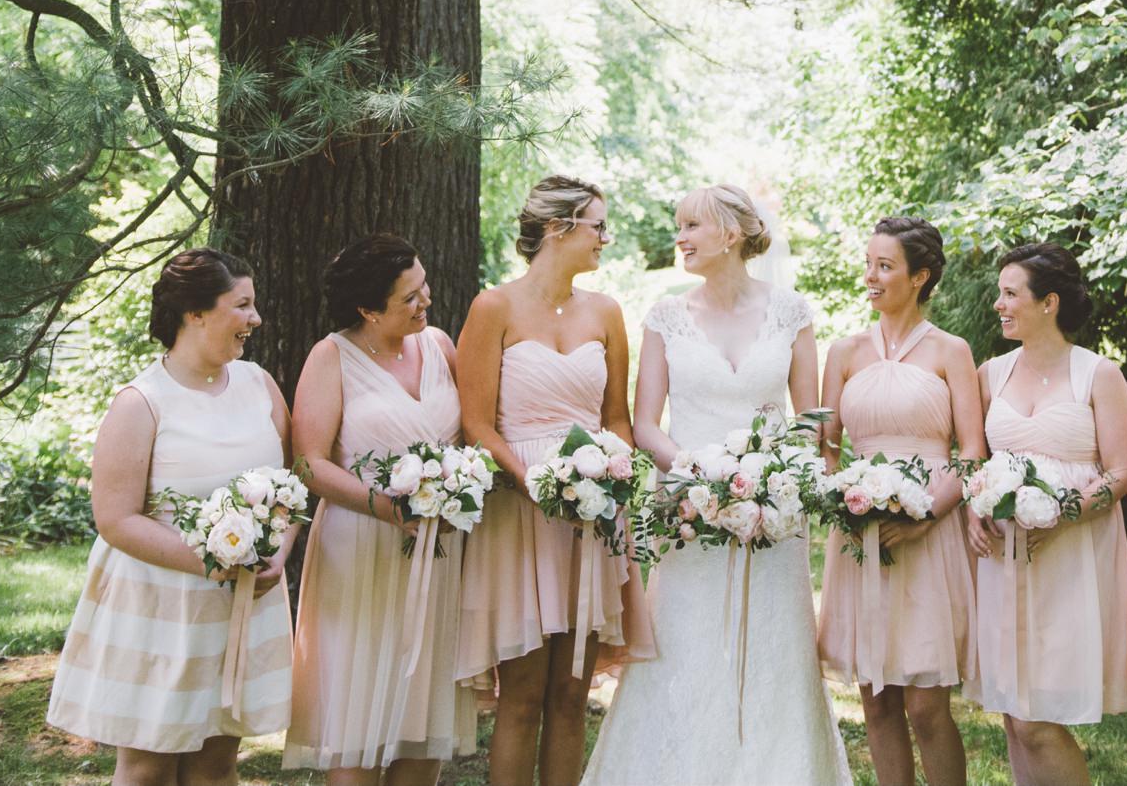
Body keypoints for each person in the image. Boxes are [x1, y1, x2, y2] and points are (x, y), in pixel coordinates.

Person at [579, 183, 850, 785]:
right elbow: (644, 425)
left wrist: (772, 482)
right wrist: (703, 474)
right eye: (680, 225)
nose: (679, 237)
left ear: (730, 234)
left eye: (691, 226)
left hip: (773, 515)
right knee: (687, 640)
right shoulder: (666, 317)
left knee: (774, 646)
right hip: (689, 508)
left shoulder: (791, 313)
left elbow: (809, 420)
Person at [46, 249, 294, 786]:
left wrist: (278, 553)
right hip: (159, 607)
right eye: (242, 305)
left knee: (216, 764)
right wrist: (212, 562)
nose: (255, 318)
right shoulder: (141, 403)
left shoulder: (258, 384)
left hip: (239, 605)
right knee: (148, 768)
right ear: (195, 313)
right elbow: (115, 519)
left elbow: (289, 486)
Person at [456, 175, 654, 786]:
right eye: (598, 225)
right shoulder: (494, 308)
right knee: (521, 698)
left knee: (571, 696)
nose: (605, 237)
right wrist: (537, 484)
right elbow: (476, 424)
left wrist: (611, 473)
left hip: (591, 518)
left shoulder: (607, 313)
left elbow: (616, 419)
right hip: (519, 514)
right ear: (556, 228)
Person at [284, 235, 476, 784]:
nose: (426, 301)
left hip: (437, 552)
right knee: (358, 702)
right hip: (361, 550)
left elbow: (469, 438)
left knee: (423, 706)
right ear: (368, 310)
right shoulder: (331, 357)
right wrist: (388, 509)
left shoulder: (439, 345)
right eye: (409, 297)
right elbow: (309, 463)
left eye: (424, 286)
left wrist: (461, 484)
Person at [816, 216, 985, 786]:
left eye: (884, 266)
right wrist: (843, 501)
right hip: (861, 532)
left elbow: (972, 452)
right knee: (878, 702)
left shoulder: (951, 351)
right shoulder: (844, 352)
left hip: (929, 532)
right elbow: (827, 448)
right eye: (868, 264)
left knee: (926, 708)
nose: (870, 276)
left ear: (920, 277)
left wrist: (927, 515)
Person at [968, 243, 1127, 786]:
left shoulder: (1098, 374)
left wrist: (1061, 513)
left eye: (1010, 294)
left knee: (1037, 720)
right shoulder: (990, 374)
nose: (999, 305)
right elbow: (973, 459)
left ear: (1049, 303)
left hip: (1070, 556)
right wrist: (974, 506)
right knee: (1014, 715)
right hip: (1003, 557)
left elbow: (1121, 474)